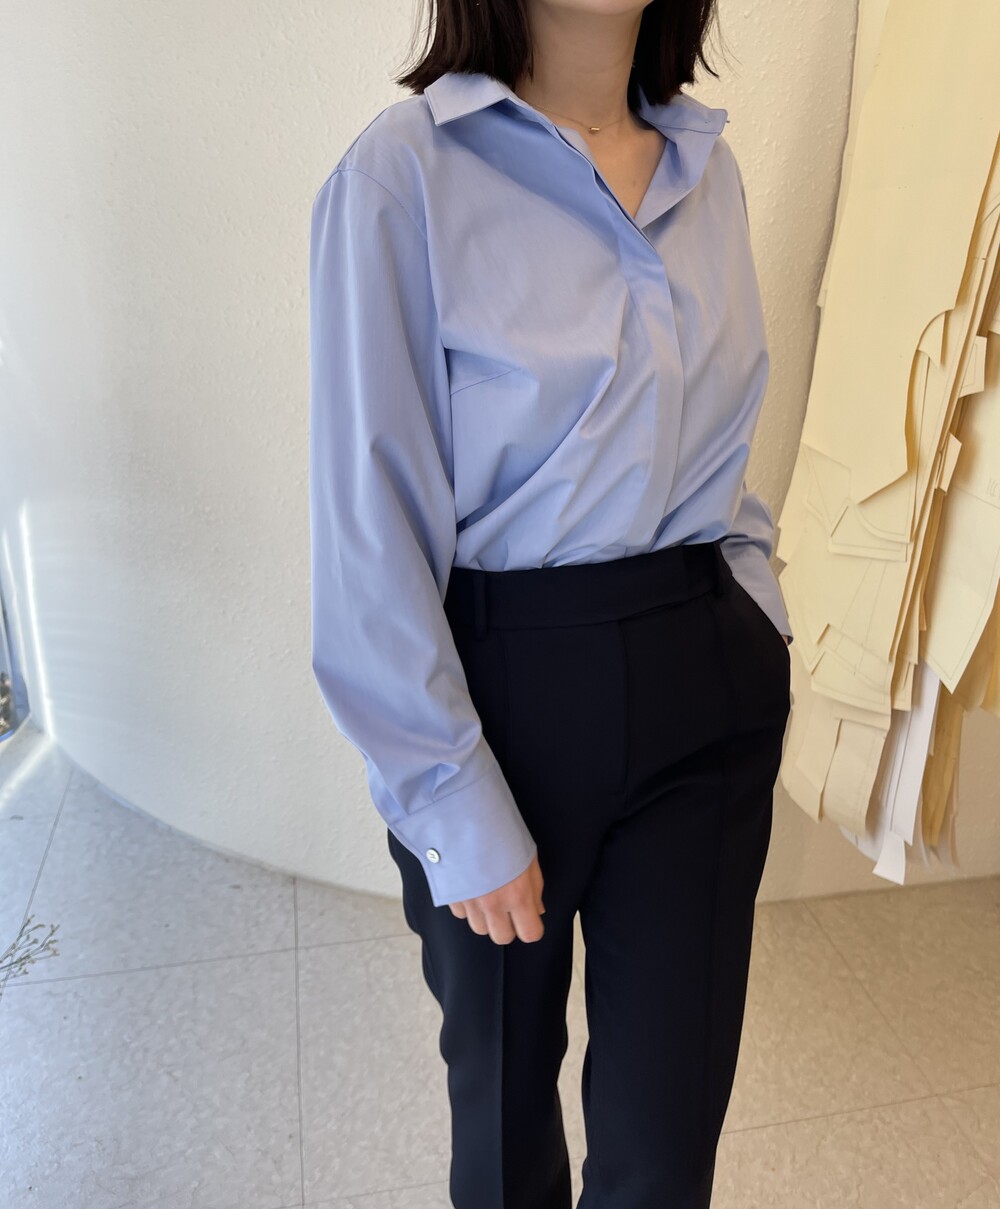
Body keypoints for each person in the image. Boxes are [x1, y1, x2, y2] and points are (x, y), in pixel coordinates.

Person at [308, 0, 793, 1204]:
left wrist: (755, 615)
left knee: (665, 1151)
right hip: (501, 693)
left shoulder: (706, 170)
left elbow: (719, 444)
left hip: (700, 681)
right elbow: (369, 524)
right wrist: (444, 792)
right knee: (504, 1125)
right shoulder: (403, 174)